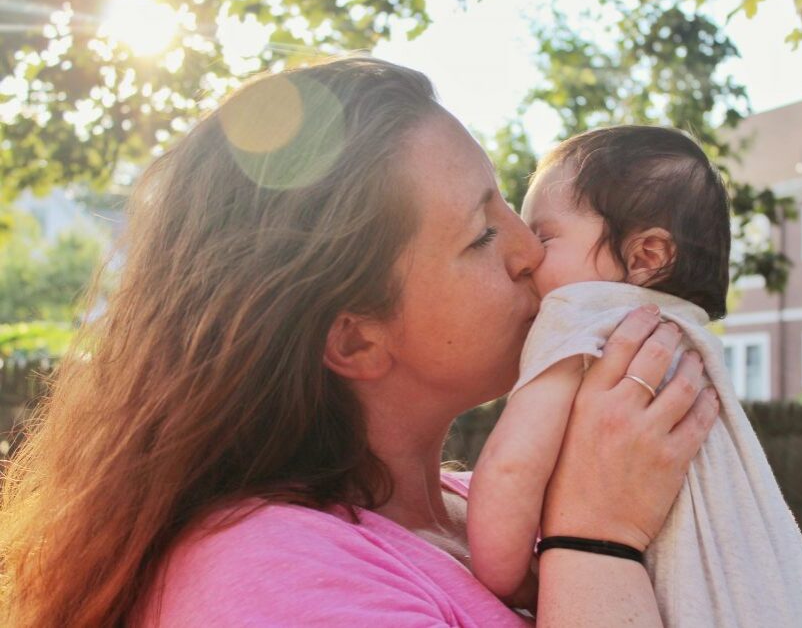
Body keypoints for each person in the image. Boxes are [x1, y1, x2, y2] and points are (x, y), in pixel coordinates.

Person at [0, 57, 719, 627]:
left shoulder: (496, 501)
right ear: (355, 338)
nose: (531, 247)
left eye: (507, 199)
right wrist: (597, 539)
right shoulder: (267, 577)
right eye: (481, 232)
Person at [468, 126, 802, 627]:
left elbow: (511, 467)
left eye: (545, 236)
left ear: (645, 256)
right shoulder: (691, 342)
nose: (529, 256)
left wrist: (512, 577)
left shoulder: (578, 313)